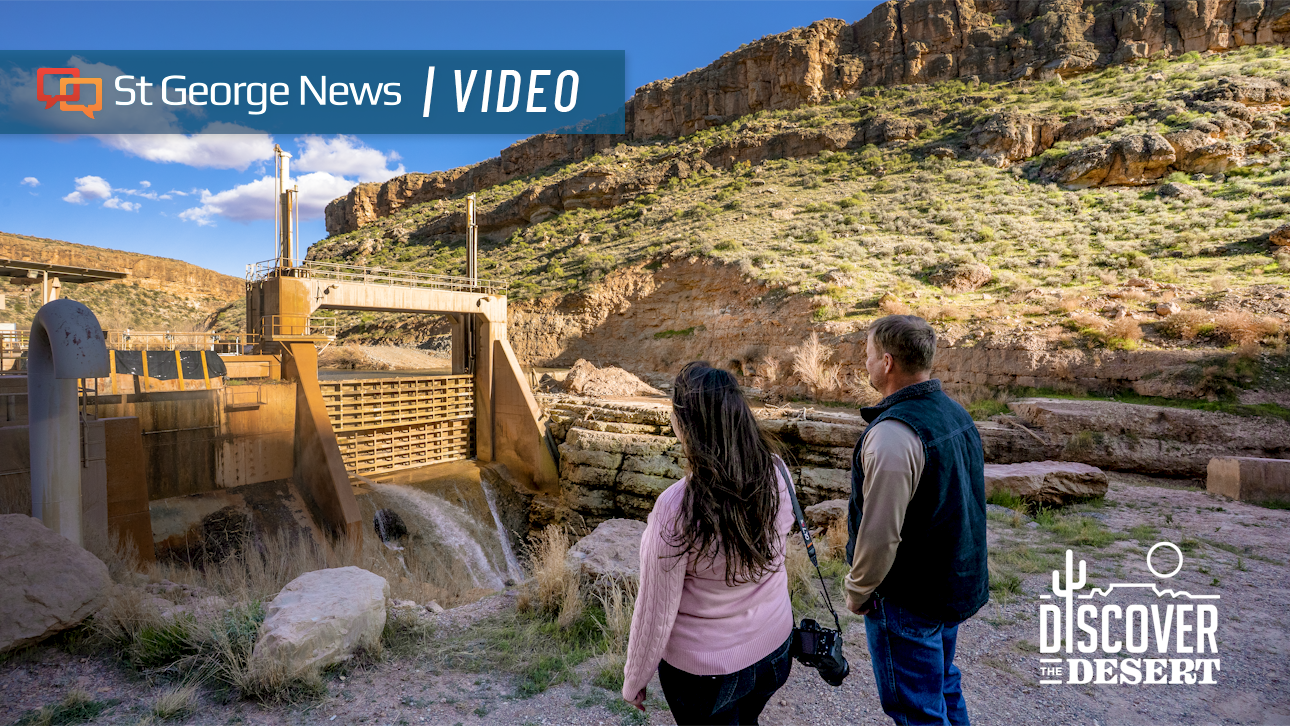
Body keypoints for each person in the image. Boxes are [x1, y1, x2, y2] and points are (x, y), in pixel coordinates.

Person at [622, 361, 795, 726]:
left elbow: (655, 610)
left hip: (708, 673)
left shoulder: (676, 508)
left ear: (685, 425)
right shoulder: (777, 471)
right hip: (775, 649)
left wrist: (635, 679)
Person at [844, 315, 988, 726]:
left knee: (918, 712)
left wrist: (858, 590)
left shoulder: (893, 434)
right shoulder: (955, 414)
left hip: (909, 599)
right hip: (948, 587)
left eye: (869, 355)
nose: (866, 363)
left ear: (887, 362)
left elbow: (880, 533)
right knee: (942, 686)